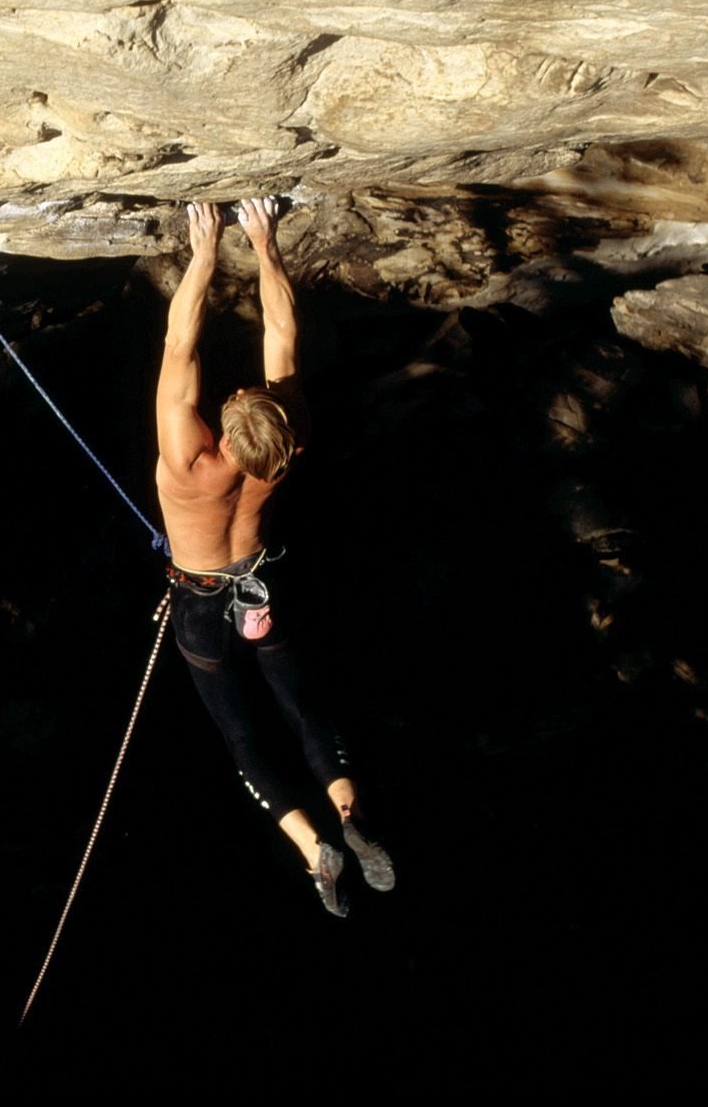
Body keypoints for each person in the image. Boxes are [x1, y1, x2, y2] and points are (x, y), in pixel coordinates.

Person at [154, 197, 394, 917]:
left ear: (225, 417)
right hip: (259, 589)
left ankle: (309, 845)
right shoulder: (285, 454)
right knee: (302, 709)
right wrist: (265, 240)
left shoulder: (187, 459)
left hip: (200, 604)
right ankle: (348, 818)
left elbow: (178, 346)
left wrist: (203, 248)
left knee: (241, 733)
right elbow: (283, 327)